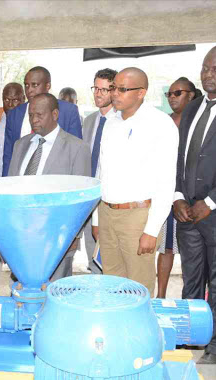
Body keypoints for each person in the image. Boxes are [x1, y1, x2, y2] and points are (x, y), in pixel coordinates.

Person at [173, 44, 216, 365]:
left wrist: (211, 202)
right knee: (191, 280)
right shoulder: (194, 107)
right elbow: (181, 156)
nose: (209, 74)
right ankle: (190, 337)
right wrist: (177, 196)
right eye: (206, 68)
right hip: (187, 213)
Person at [92, 67, 178, 295]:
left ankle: (139, 331)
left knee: (138, 288)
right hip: (107, 213)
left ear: (141, 92)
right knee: (111, 283)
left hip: (138, 217)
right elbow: (101, 172)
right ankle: (117, 330)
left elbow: (166, 181)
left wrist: (152, 229)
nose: (114, 94)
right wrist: (96, 219)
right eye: (113, 88)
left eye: (122, 89)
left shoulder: (160, 123)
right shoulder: (111, 122)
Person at [8, 93, 90, 279]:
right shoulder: (20, 145)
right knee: (24, 290)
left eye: (39, 115)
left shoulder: (76, 148)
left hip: (57, 236)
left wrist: (74, 236)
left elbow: (81, 199)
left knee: (54, 293)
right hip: (22, 235)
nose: (34, 120)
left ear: (54, 114)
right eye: (30, 115)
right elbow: (11, 189)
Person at [156, 77, 200, 298]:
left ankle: (192, 297)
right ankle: (161, 297)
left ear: (191, 95)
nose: (172, 97)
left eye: (177, 93)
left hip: (192, 195)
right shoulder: (164, 121)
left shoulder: (198, 121)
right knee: (167, 247)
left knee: (192, 252)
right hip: (166, 192)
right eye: (169, 94)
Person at [2, 66, 82, 176]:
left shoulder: (68, 111)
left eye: (35, 85)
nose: (29, 90)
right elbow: (8, 156)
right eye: (26, 85)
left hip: (57, 183)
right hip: (21, 184)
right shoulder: (14, 114)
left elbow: (76, 152)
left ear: (48, 86)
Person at [83, 68, 117, 274]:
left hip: (111, 199)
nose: (98, 93)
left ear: (114, 91)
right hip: (90, 195)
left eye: (104, 89)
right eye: (96, 88)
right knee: (92, 255)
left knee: (111, 261)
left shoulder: (122, 121)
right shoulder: (89, 121)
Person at [0, 83, 25, 176]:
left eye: (15, 100)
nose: (10, 104)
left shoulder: (29, 120)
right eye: (6, 99)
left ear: (23, 99)